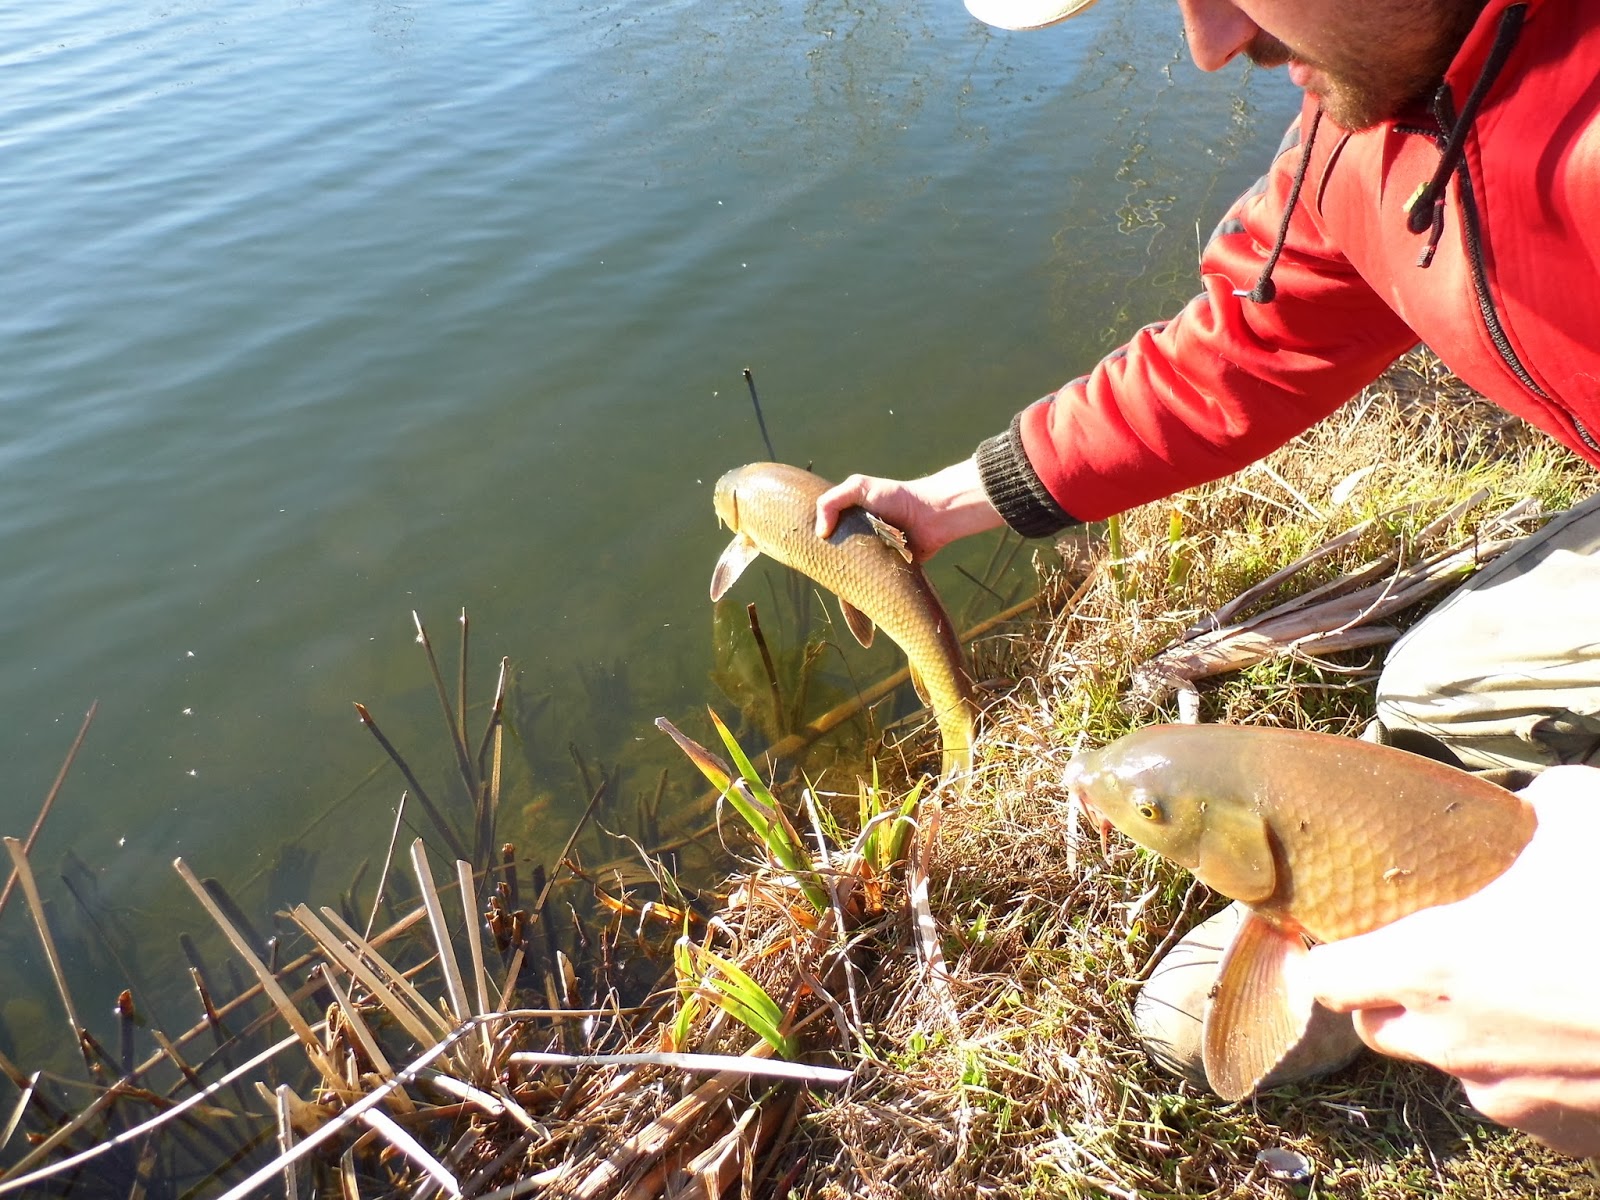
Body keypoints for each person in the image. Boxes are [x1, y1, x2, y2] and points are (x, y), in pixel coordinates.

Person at [814, 0, 1600, 1156]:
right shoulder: (1368, 118)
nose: (1213, 42)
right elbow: (1242, 345)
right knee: (1435, 689)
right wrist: (947, 500)